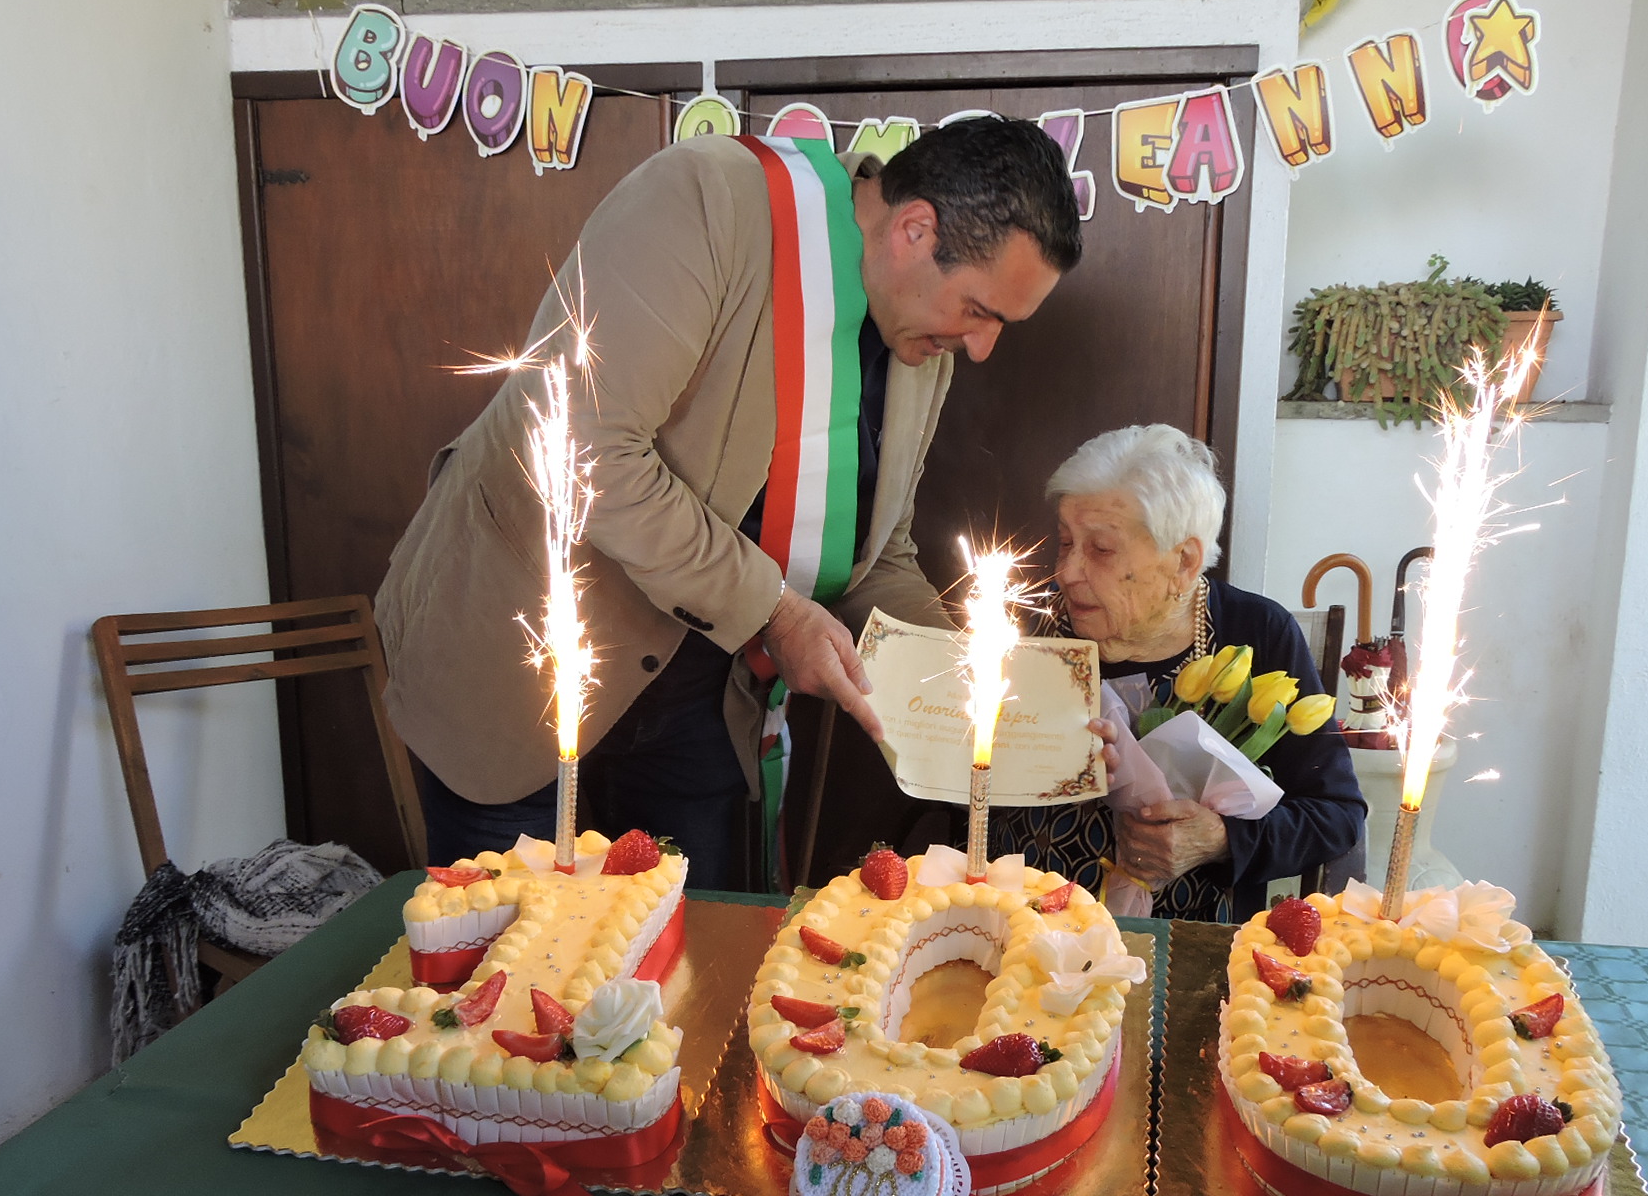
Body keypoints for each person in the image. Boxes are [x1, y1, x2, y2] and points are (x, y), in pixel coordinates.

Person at [377, 119, 1084, 888]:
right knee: (505, 980)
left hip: (705, 703)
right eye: (981, 311)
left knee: (690, 979)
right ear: (915, 229)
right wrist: (777, 613)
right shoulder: (706, 199)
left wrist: (994, 699)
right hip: (519, 673)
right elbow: (584, 453)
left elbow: (879, 559)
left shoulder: (923, 335)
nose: (982, 348)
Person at [992, 425, 1367, 920]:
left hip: (1197, 947)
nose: (1066, 571)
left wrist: (1221, 839)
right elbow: (960, 789)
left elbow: (1337, 816)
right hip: (1024, 928)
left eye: (1100, 549)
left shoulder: (1255, 634)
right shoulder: (1025, 631)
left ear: (1184, 562)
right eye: (1065, 542)